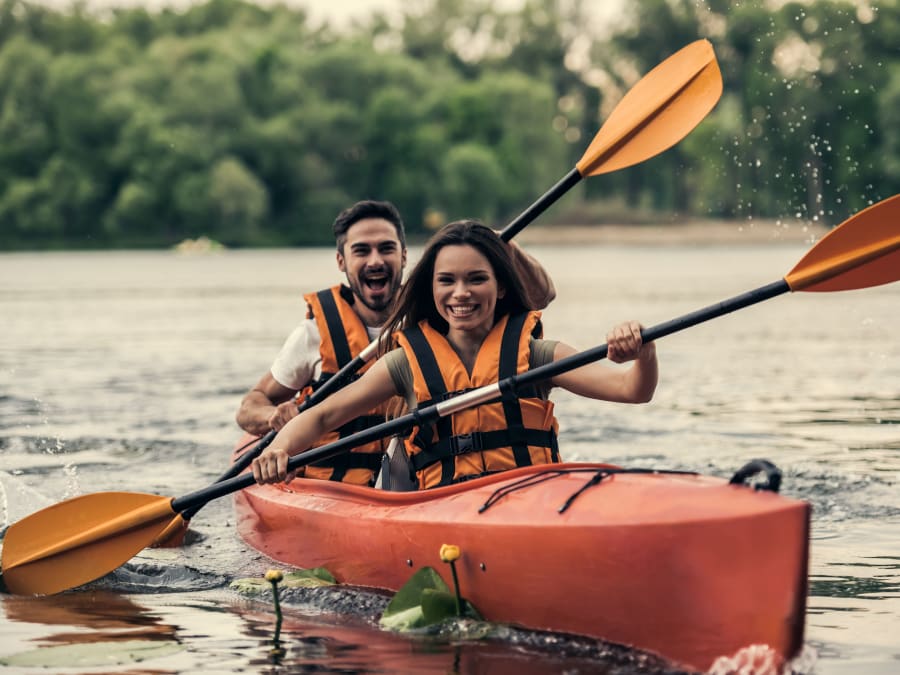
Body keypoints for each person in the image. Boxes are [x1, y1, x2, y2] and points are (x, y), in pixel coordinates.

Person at [251, 220, 658, 490]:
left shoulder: (536, 354)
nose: (460, 293)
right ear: (432, 289)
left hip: (532, 497)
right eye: (446, 281)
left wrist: (643, 350)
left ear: (500, 288)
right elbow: (322, 415)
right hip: (444, 508)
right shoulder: (406, 364)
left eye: (476, 279)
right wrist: (277, 449)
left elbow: (632, 390)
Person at [237, 203, 557, 487]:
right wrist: (273, 419)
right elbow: (251, 405)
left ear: (404, 255)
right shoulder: (312, 335)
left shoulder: (444, 315)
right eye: (362, 250)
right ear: (341, 260)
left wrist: (503, 246)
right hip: (332, 483)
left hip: (416, 478)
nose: (376, 260)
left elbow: (540, 296)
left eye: (386, 248)